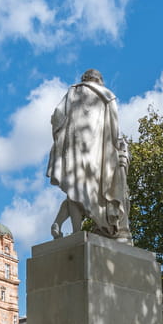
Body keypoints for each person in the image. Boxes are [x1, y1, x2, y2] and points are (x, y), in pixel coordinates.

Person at [47, 69, 131, 241]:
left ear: (84, 79)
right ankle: (88, 230)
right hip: (97, 154)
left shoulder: (72, 92)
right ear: (99, 81)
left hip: (73, 150)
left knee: (74, 189)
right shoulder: (108, 96)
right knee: (92, 193)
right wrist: (118, 148)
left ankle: (75, 231)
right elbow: (114, 130)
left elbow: (57, 115)